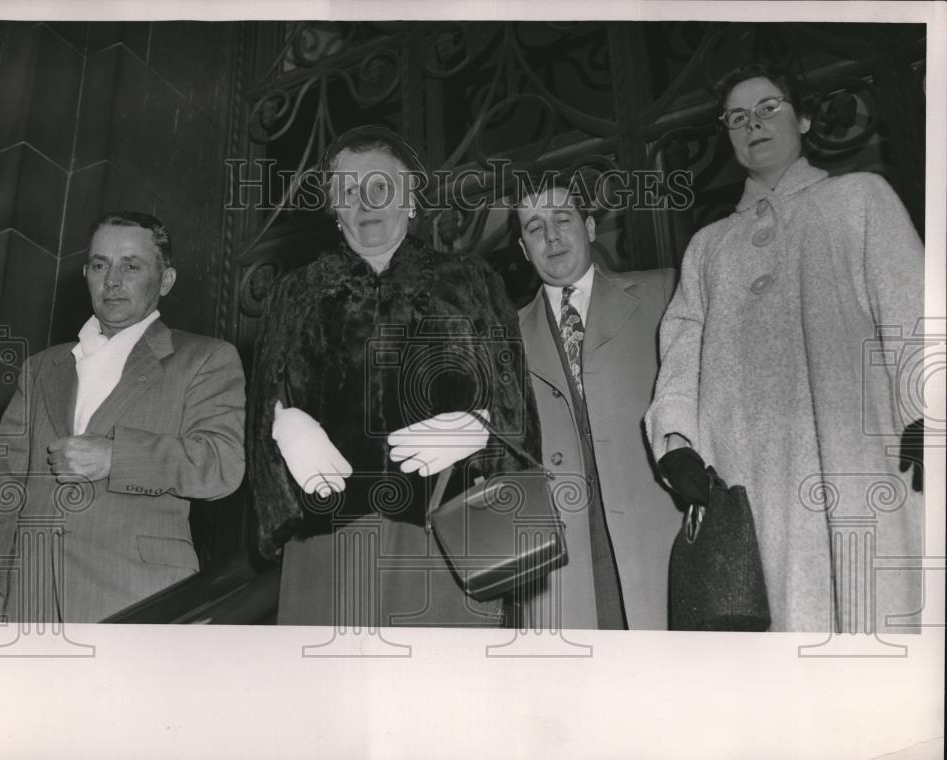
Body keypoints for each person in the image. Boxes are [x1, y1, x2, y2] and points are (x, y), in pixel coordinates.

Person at [645, 62, 925, 632]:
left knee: (870, 617)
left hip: (851, 454)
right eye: (737, 117)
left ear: (801, 117)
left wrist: (927, 410)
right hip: (750, 480)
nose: (754, 124)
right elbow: (680, 352)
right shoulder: (708, 246)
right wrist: (676, 440)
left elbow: (912, 306)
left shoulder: (860, 199)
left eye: (769, 108)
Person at [247, 125, 541, 628]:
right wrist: (282, 430)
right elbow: (262, 407)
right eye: (347, 191)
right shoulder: (294, 293)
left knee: (438, 698)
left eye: (381, 186)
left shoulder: (472, 282)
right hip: (327, 539)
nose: (365, 202)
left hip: (448, 536)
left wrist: (482, 428)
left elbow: (520, 415)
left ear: (409, 198)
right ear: (334, 211)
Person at [0, 212, 246, 623]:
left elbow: (223, 465)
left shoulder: (204, 358)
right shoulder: (42, 366)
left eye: (130, 265)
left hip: (135, 594)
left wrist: (117, 457)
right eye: (100, 265)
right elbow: (5, 477)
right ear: (85, 273)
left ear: (165, 280)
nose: (112, 280)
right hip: (28, 597)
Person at [513, 180, 682, 630]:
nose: (551, 237)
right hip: (563, 567)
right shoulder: (505, 336)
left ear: (588, 226)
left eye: (562, 220)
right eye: (534, 227)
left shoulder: (661, 293)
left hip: (660, 540)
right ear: (523, 248)